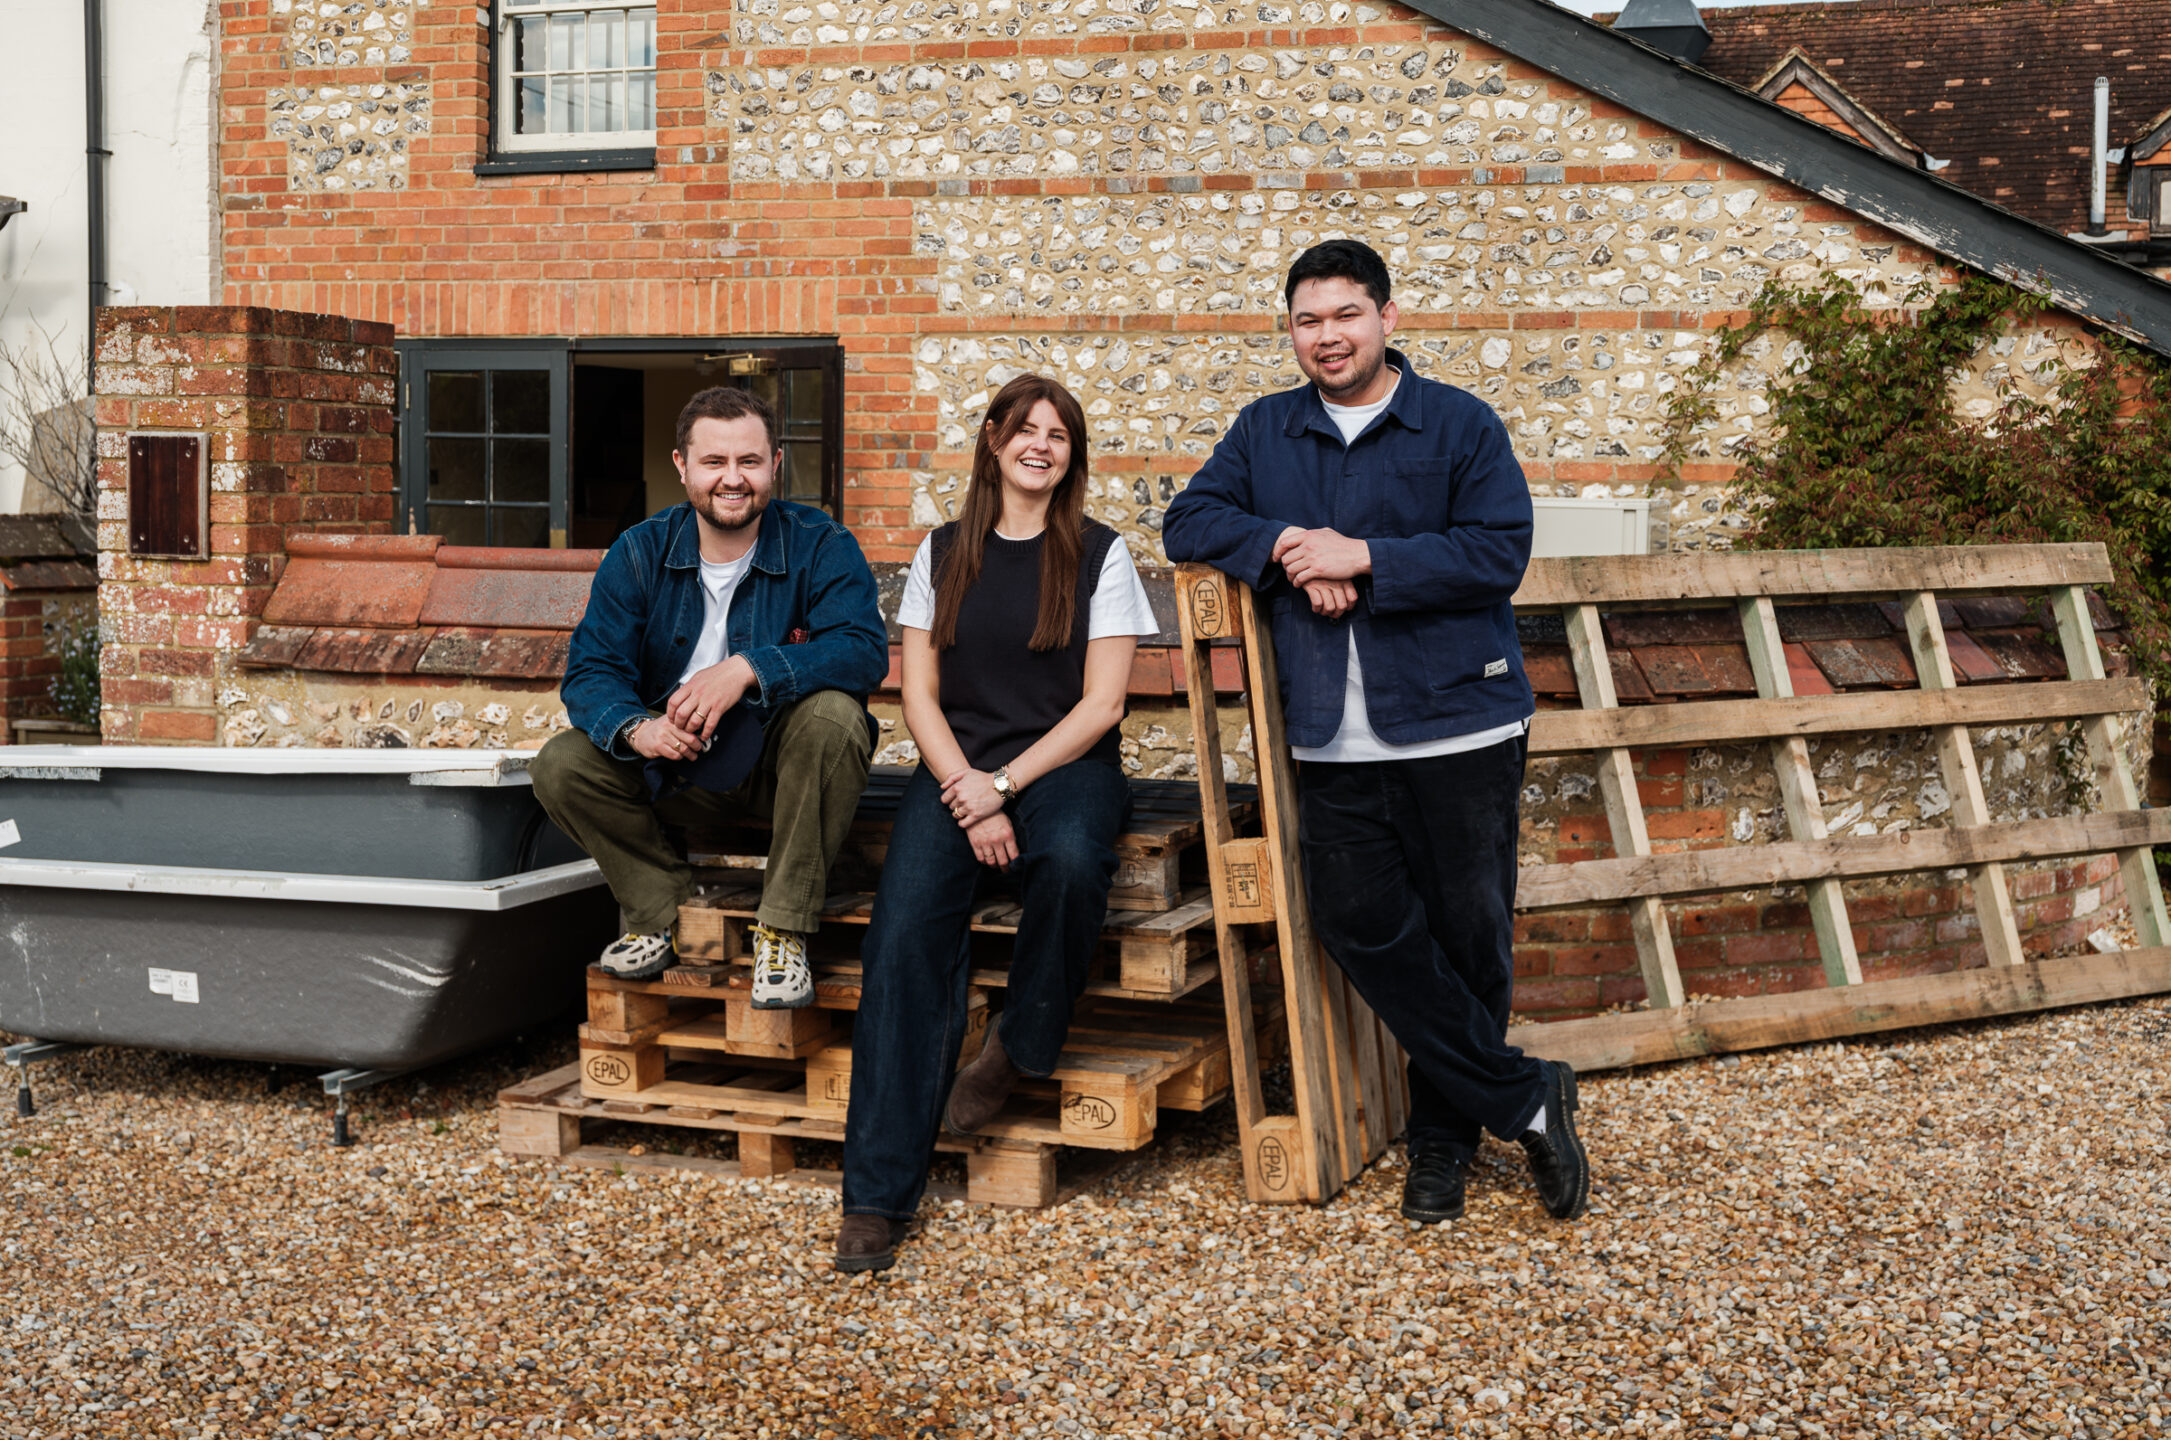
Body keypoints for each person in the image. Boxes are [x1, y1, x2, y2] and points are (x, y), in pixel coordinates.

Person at [1160, 238, 1591, 1225]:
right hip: (1327, 737)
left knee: (1467, 939)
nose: (1326, 337)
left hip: (1456, 728)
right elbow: (1190, 519)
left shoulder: (1456, 426)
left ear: (1386, 319)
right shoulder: (1266, 431)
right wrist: (1280, 548)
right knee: (1355, 922)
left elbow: (1496, 552)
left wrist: (1358, 558)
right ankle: (1522, 1094)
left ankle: (1439, 1143)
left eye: (1344, 315)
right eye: (1306, 321)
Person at [834, 374, 1160, 1272]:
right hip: (955, 774)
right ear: (991, 440)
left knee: (1066, 863)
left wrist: (1006, 785)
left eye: (1058, 434)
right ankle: (874, 1198)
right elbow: (920, 694)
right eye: (1026, 430)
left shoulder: (1101, 555)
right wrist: (966, 790)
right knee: (901, 939)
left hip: (1062, 769)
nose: (1041, 445)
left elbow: (1100, 707)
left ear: (1071, 454)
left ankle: (1018, 1044)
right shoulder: (943, 553)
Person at [533, 386, 887, 1007]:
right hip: (669, 771)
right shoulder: (639, 552)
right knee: (561, 764)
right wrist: (637, 729)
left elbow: (862, 651)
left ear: (776, 464)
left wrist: (750, 668)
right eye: (714, 463)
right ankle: (665, 913)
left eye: (749, 462)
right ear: (682, 466)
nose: (733, 480)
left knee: (836, 716)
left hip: (780, 770)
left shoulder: (821, 544)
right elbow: (590, 672)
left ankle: (782, 930)